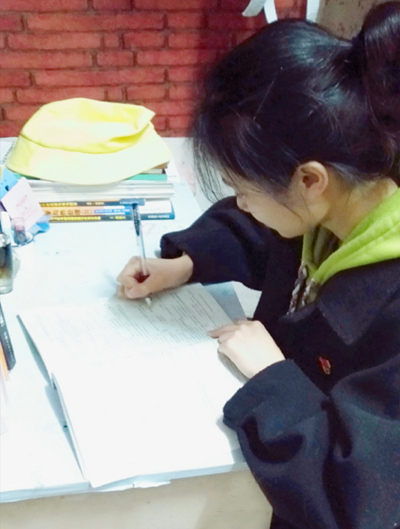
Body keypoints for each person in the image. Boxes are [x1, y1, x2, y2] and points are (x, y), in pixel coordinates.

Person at [117, 3, 400, 528]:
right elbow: (263, 232)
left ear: (309, 180)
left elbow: (359, 501)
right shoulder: (343, 192)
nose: (241, 203)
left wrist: (272, 377)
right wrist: (186, 262)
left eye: (244, 189)